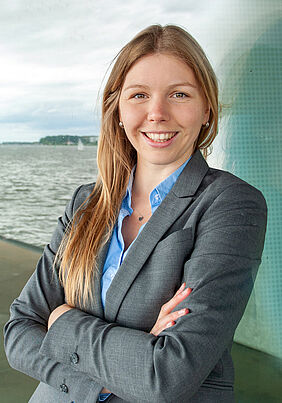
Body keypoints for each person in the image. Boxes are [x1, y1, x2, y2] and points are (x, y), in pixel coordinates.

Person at [4, 24, 267, 403]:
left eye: (179, 94)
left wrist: (61, 320)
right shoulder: (85, 204)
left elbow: (167, 376)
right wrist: (114, 369)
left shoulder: (230, 205)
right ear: (119, 109)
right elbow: (18, 332)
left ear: (206, 108)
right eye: (139, 95)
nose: (156, 113)